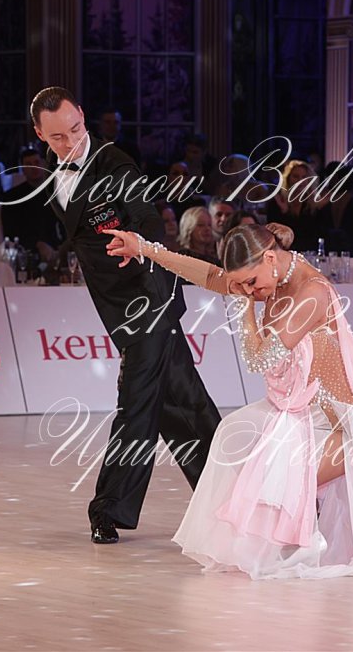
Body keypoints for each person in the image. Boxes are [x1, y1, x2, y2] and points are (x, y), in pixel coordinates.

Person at [103, 223, 353, 582]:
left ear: (271, 259)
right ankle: (283, 538)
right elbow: (211, 276)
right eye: (242, 285)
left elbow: (257, 359)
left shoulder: (312, 293)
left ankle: (296, 538)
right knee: (233, 434)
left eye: (251, 282)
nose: (248, 290)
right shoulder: (266, 277)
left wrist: (243, 308)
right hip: (304, 412)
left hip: (349, 432)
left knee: (272, 479)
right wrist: (144, 248)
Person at [30, 86, 221, 544]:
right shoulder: (52, 173)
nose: (70, 142)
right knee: (181, 402)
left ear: (83, 117)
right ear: (40, 134)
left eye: (76, 129)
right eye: (57, 137)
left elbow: (146, 218)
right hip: (115, 303)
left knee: (136, 400)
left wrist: (139, 243)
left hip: (147, 296)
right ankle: (240, 494)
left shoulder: (115, 163)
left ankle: (109, 508)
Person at [0, 146, 63, 262]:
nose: (34, 167)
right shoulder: (12, 197)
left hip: (56, 251)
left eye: (36, 162)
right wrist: (37, 244)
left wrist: (62, 248)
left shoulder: (57, 193)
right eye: (28, 164)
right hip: (25, 253)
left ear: (43, 164)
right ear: (23, 169)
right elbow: (10, 232)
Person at [266, 160, 327, 252]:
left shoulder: (315, 205)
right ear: (288, 179)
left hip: (310, 253)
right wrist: (285, 213)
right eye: (296, 176)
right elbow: (275, 235)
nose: (300, 181)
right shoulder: (278, 202)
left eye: (304, 177)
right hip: (284, 252)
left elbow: (316, 236)